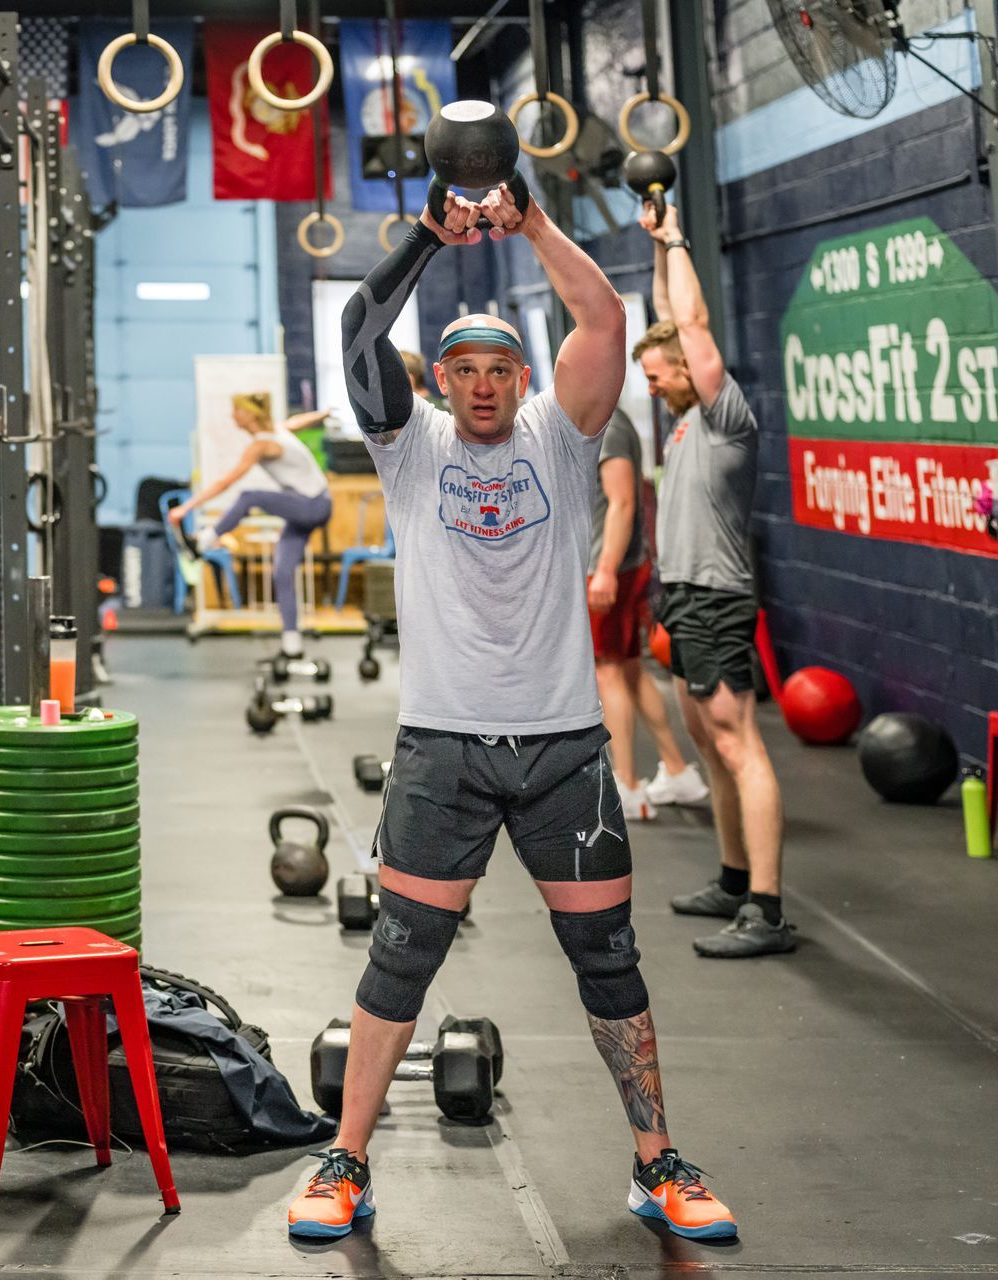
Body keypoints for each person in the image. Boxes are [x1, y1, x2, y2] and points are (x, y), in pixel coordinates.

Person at [284, 185, 737, 1244]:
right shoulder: (411, 448)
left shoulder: (564, 432)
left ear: (523, 378)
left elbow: (608, 323)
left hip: (564, 749)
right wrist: (429, 238)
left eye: (499, 369)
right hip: (443, 746)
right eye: (464, 371)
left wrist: (532, 224)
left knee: (609, 956)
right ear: (442, 381)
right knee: (401, 953)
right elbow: (359, 328)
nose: (483, 386)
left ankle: (655, 1159)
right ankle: (345, 1160)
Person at [635, 202, 794, 958]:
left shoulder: (725, 414)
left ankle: (765, 909)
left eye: (656, 371)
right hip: (683, 598)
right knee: (705, 739)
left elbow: (689, 322)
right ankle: (733, 879)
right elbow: (670, 312)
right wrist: (659, 258)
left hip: (718, 598)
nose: (652, 381)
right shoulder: (684, 421)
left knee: (739, 746)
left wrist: (674, 239)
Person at [588, 408, 708, 820]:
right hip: (612, 565)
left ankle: (628, 785)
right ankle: (677, 771)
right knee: (631, 671)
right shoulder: (595, 421)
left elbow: (622, 501)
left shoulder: (610, 426)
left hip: (611, 569)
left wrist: (604, 571)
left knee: (608, 671)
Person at [165, 393, 332, 657]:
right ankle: (292, 643)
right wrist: (321, 414)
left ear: (250, 414)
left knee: (249, 496)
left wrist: (185, 508)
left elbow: (225, 483)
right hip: (309, 506)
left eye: (236, 411)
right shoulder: (277, 430)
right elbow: (298, 422)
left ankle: (204, 540)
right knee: (282, 572)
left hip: (312, 505)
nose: (233, 416)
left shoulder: (262, 445)